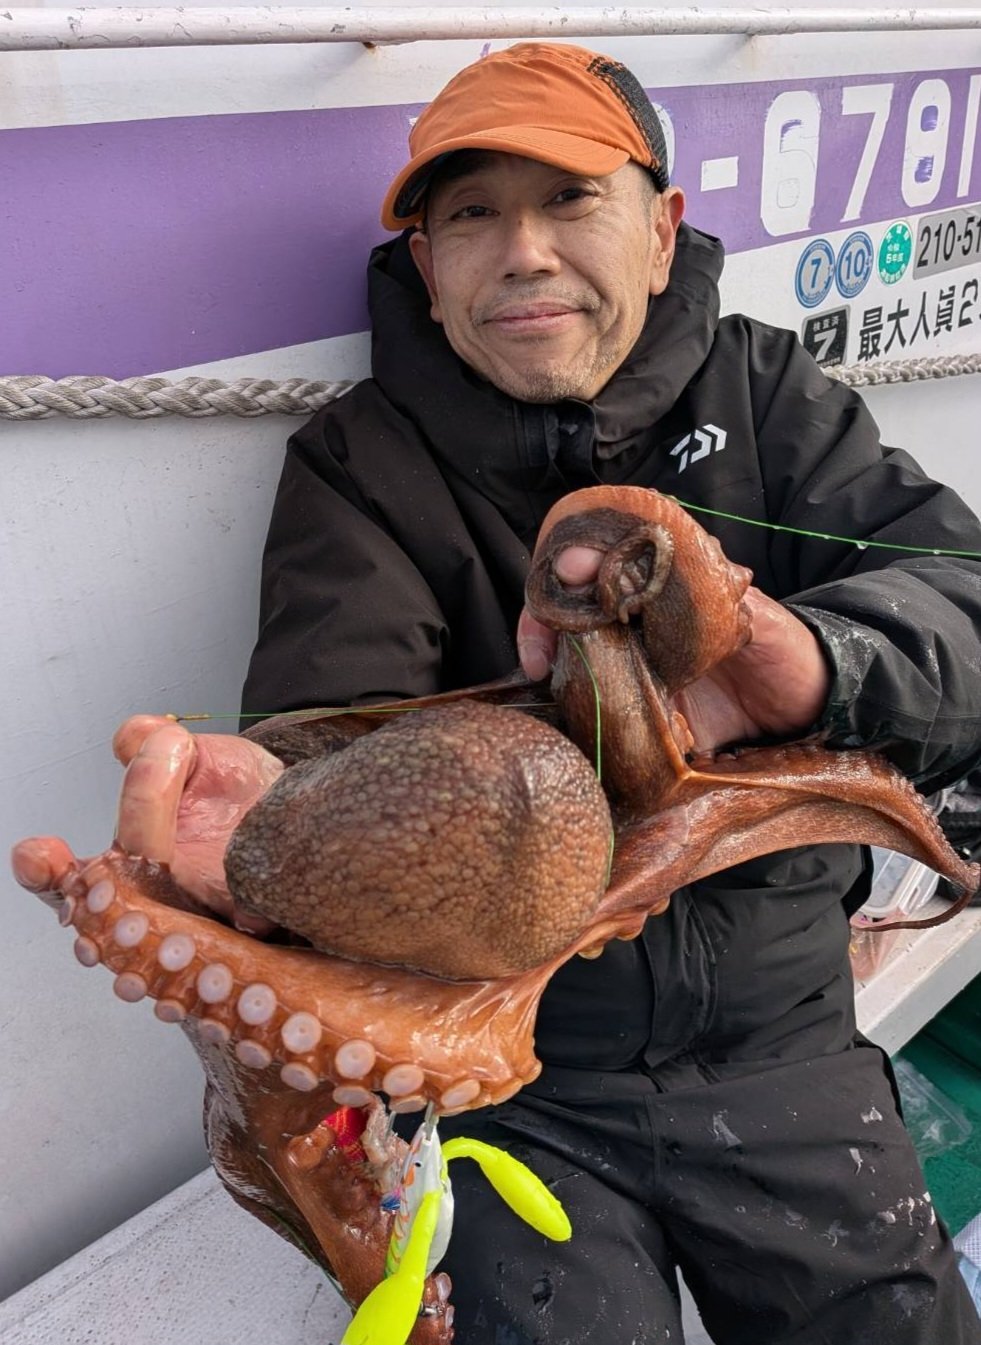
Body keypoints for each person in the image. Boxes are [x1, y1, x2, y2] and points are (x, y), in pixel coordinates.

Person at [17, 41, 981, 1344]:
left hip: (784, 1039)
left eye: (570, 199)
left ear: (661, 231)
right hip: (520, 1075)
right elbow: (333, 727)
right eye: (471, 214)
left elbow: (960, 594)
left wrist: (807, 664)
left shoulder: (767, 397)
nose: (523, 252)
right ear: (426, 266)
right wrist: (279, 819)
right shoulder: (361, 463)